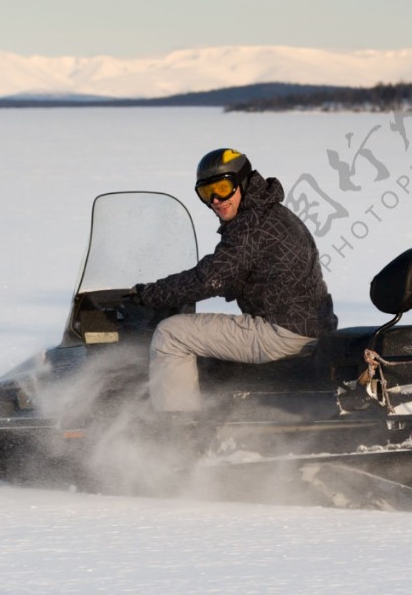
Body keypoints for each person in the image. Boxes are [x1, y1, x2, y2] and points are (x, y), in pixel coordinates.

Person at [131, 148, 338, 416]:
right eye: (207, 193)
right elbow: (236, 274)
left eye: (223, 187)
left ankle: (176, 434)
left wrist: (149, 294)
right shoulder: (270, 213)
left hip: (282, 331)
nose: (216, 199)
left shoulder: (251, 224)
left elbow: (211, 277)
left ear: (242, 182)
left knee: (171, 334)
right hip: (307, 326)